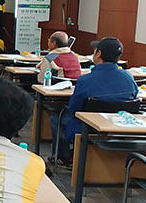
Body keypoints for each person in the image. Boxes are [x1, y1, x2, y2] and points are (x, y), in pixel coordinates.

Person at [50, 37, 138, 167]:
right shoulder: (129, 78)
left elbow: (74, 108)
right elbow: (134, 98)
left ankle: (64, 157)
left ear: (99, 54)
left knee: (56, 118)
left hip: (87, 127)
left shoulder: (85, 80)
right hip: (119, 127)